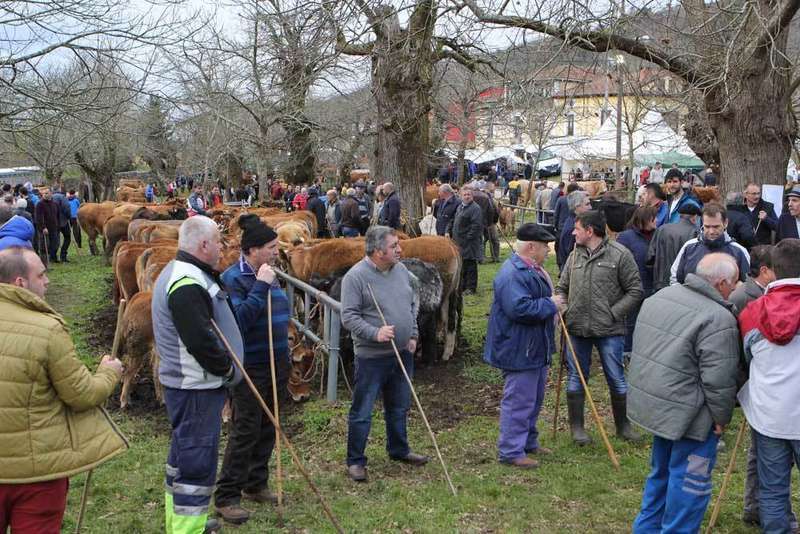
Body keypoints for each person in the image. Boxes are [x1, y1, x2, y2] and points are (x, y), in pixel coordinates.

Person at [0, 246, 126, 532]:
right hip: (38, 473)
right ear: (20, 282)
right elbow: (82, 395)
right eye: (41, 275)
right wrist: (108, 373)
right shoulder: (47, 330)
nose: (47, 282)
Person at [628, 253, 741, 533]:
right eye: (735, 283)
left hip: (658, 404)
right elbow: (719, 379)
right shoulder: (718, 318)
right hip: (693, 416)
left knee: (661, 472)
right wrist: (721, 418)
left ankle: (647, 528)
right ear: (722, 283)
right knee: (691, 483)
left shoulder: (660, 297)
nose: (736, 289)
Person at [152, 215, 243, 534]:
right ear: (203, 244)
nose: (223, 247)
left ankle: (181, 521)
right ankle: (187, 529)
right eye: (219, 241)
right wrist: (229, 369)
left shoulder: (183, 273)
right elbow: (200, 341)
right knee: (196, 461)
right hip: (194, 386)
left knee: (182, 456)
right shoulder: (187, 282)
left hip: (190, 385)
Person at [214, 215, 289, 525]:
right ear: (253, 249)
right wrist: (261, 285)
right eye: (271, 247)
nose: (276, 251)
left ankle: (255, 483)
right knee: (245, 428)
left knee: (269, 425)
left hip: (277, 360)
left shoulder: (272, 273)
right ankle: (226, 495)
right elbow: (240, 320)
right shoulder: (233, 279)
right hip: (251, 364)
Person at [340, 226, 428, 482]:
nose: (399, 249)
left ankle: (399, 449)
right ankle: (356, 461)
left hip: (402, 352)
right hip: (372, 357)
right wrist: (374, 333)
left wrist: (412, 334)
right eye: (393, 246)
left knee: (399, 405)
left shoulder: (400, 270)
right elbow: (348, 317)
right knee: (363, 410)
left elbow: (411, 304)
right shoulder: (355, 277)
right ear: (378, 251)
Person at [555, 210, 642, 445]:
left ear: (590, 231)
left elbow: (635, 290)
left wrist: (613, 313)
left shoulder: (620, 255)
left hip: (609, 331)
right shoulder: (574, 256)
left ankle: (623, 427)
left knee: (616, 378)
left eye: (577, 228)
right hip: (577, 328)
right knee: (576, 377)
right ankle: (577, 430)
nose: (573, 232)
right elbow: (561, 287)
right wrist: (563, 309)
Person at [484, 224, 560, 469]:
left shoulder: (531, 269)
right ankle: (510, 450)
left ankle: (528, 441)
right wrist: (551, 304)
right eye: (544, 247)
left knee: (534, 397)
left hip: (534, 347)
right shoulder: (511, 274)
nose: (548, 251)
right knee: (519, 400)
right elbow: (519, 309)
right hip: (519, 348)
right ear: (531, 247)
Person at [737, 238, 800, 533]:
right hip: (777, 413)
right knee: (772, 490)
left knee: (772, 490)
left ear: (773, 270)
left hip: (769, 413)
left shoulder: (751, 311)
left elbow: (748, 357)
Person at [670, 203, 750, 285]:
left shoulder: (739, 251)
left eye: (716, 227)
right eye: (707, 227)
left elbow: (747, 284)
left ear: (725, 223)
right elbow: (675, 277)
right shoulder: (689, 247)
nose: (711, 232)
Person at [616, 206, 657, 356]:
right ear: (645, 219)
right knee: (631, 321)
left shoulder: (657, 235)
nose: (656, 221)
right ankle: (627, 351)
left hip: (651, 286)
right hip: (632, 287)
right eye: (653, 218)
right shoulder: (626, 237)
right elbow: (618, 261)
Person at [647, 203, 700, 291]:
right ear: (694, 217)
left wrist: (655, 278)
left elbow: (650, 257)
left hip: (660, 284)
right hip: (682, 286)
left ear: (680, 215)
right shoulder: (695, 233)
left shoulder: (662, 229)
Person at [452, 187, 484, 295]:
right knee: (463, 264)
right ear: (461, 196)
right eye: (464, 194)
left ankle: (471, 288)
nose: (466, 196)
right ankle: (464, 286)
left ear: (472, 196)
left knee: (470, 264)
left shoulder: (475, 208)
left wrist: (468, 238)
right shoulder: (460, 207)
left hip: (469, 243)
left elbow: (477, 226)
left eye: (468, 195)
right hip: (459, 242)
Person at [556, 189, 591, 271]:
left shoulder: (576, 222)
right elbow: (571, 258)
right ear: (577, 206)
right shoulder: (573, 228)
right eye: (587, 204)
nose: (590, 207)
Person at [34, 189, 60, 265]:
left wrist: (58, 224)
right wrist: (43, 227)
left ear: (51, 194)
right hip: (44, 228)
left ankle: (53, 258)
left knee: (55, 244)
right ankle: (44, 262)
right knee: (44, 245)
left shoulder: (55, 204)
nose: (45, 194)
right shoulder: (40, 204)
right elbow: (39, 217)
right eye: (44, 193)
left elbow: (57, 215)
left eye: (47, 193)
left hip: (54, 227)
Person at [52, 188, 72, 262]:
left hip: (53, 222)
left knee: (55, 239)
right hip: (63, 221)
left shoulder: (51, 197)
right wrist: (69, 216)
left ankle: (53, 257)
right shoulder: (62, 197)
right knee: (67, 237)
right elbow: (67, 208)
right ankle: (63, 255)